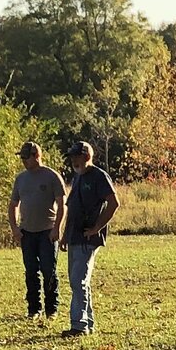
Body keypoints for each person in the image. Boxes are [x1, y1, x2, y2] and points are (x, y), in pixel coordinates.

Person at [59, 140, 120, 336]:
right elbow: (72, 207)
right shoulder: (77, 177)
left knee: (79, 281)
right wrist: (65, 235)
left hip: (87, 237)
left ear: (87, 156)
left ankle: (79, 326)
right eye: (72, 158)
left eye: (76, 157)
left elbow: (113, 203)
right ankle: (89, 323)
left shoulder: (99, 177)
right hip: (74, 236)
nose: (73, 161)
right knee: (79, 281)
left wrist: (96, 228)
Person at [9, 141, 67, 322]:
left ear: (36, 156)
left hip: (47, 232)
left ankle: (52, 309)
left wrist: (57, 228)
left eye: (26, 157)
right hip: (27, 233)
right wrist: (15, 228)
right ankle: (34, 309)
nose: (23, 161)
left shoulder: (51, 176)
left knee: (49, 271)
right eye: (22, 158)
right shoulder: (21, 179)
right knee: (31, 271)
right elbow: (13, 205)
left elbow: (62, 204)